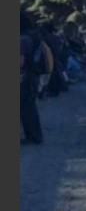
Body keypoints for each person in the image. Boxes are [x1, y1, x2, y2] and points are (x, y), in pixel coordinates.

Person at [20, 11, 44, 145]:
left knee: (26, 108)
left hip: (24, 77)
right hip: (32, 76)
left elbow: (20, 62)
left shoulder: (23, 39)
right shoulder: (32, 36)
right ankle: (32, 136)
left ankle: (34, 137)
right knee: (28, 107)